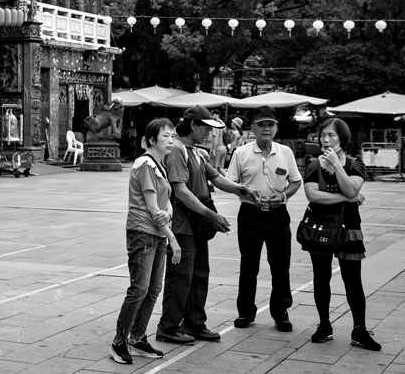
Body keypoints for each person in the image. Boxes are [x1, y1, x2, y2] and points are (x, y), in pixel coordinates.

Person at [156, 107, 251, 345]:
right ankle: (168, 326)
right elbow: (181, 191)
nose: (210, 133)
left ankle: (194, 323)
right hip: (181, 224)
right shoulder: (177, 150)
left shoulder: (197, 153)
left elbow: (217, 178)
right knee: (181, 277)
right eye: (207, 127)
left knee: (199, 275)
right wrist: (212, 216)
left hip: (196, 224)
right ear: (194, 125)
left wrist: (242, 190)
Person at [301, 118, 381, 351]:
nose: (326, 140)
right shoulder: (313, 164)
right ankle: (324, 325)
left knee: (353, 280)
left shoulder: (355, 164)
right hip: (321, 227)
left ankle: (359, 329)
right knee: (321, 277)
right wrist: (348, 199)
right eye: (323, 135)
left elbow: (352, 188)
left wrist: (337, 165)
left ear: (342, 138)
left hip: (348, 228)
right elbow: (314, 196)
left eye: (332, 136)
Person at [108, 118, 182, 365]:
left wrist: (169, 215)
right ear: (152, 140)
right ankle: (119, 342)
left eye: (173, 135)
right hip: (143, 232)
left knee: (153, 289)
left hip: (158, 232)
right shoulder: (145, 164)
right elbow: (152, 208)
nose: (171, 140)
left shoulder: (161, 165)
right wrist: (174, 239)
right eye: (166, 136)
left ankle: (137, 337)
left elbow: (167, 202)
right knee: (139, 289)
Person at [226, 105, 302, 331]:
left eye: (270, 124)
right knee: (248, 264)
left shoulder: (285, 152)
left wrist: (283, 195)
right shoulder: (241, 153)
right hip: (250, 214)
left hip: (278, 214)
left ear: (276, 128)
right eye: (262, 125)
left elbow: (296, 181)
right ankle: (245, 312)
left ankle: (281, 312)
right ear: (253, 128)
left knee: (280, 265)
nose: (266, 129)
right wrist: (247, 193)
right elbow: (230, 183)